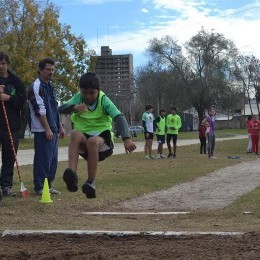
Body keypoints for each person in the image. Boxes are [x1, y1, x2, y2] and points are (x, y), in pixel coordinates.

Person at [58, 72, 136, 199]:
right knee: (74, 134)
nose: (88, 96)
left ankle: (91, 182)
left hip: (102, 143)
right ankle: (72, 175)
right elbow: (61, 109)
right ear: (81, 91)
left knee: (92, 141)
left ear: (98, 91)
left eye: (91, 93)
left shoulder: (103, 100)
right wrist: (75, 107)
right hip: (84, 140)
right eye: (85, 93)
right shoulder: (78, 98)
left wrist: (126, 138)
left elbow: (119, 117)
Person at [28, 58, 65, 195]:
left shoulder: (49, 86)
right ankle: (39, 187)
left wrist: (60, 126)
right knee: (43, 159)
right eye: (48, 69)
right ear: (40, 70)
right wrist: (47, 129)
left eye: (53, 70)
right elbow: (40, 111)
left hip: (53, 129)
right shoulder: (36, 87)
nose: (51, 72)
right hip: (43, 130)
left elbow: (54, 108)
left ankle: (48, 186)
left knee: (52, 160)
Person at [0, 51, 26, 197]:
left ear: (8, 64)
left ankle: (6, 186)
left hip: (11, 126)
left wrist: (7, 97)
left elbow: (22, 102)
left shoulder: (16, 81)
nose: (1, 66)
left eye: (3, 63)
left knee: (9, 158)